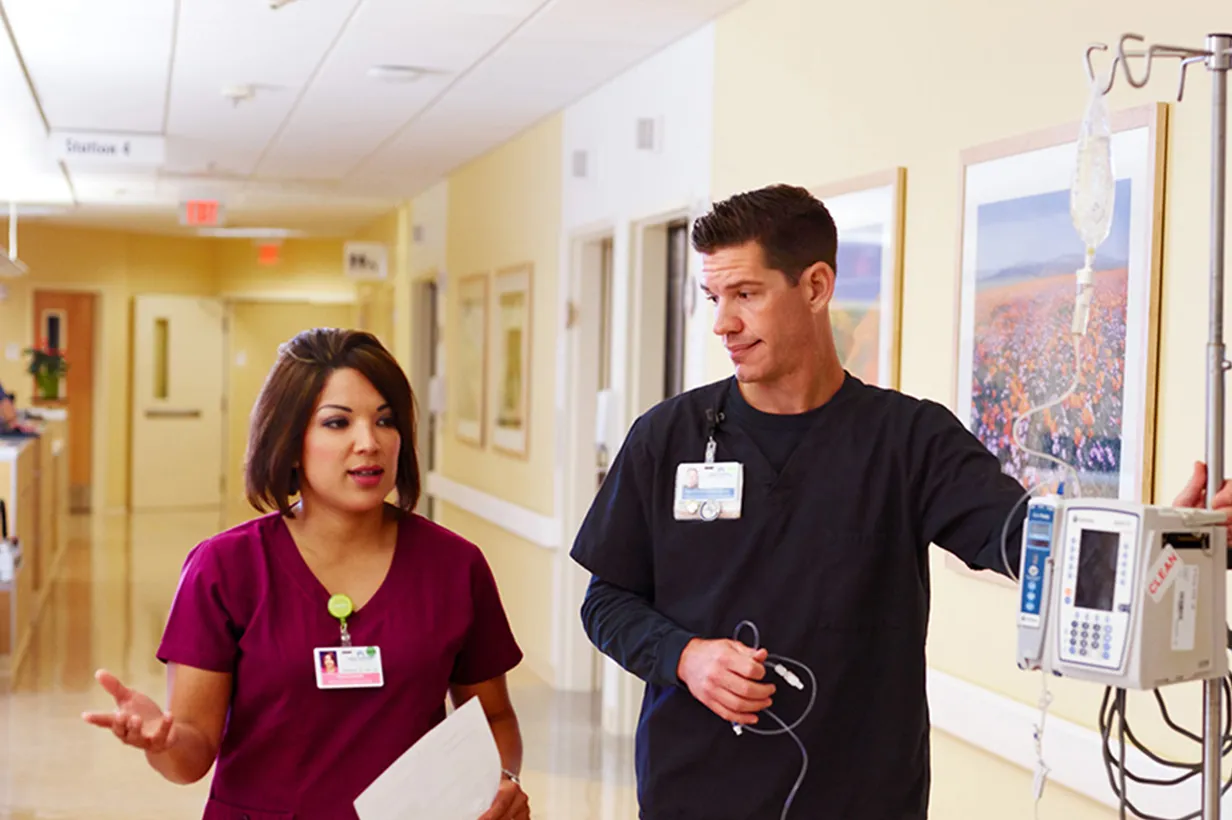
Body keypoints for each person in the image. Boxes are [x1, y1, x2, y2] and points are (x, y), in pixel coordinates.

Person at [569, 183, 1232, 819]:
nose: (723, 323)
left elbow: (1026, 543)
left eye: (745, 293)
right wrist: (685, 657)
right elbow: (606, 600)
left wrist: (1162, 540)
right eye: (714, 296)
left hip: (863, 797)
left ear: (816, 287)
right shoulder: (668, 437)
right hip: (695, 791)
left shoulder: (908, 441)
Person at [83, 328, 532, 820]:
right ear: (290, 440)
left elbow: (494, 717)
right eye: (337, 423)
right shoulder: (226, 570)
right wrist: (161, 740)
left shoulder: (454, 566)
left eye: (385, 420)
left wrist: (503, 782)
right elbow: (191, 756)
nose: (369, 442)